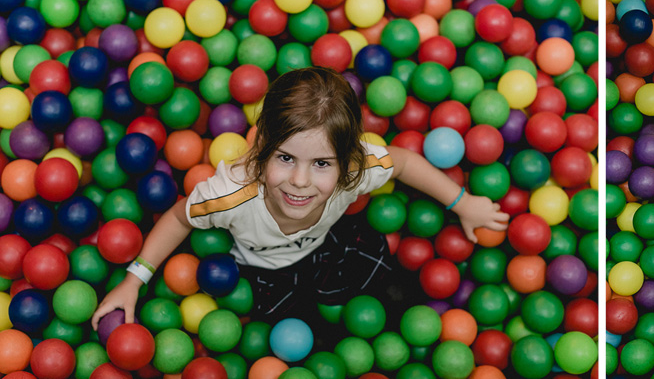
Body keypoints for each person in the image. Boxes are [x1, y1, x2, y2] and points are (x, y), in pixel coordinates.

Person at [91, 67, 510, 328]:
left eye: (322, 163)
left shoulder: (355, 170)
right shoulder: (231, 193)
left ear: (346, 160)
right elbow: (180, 217)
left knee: (386, 278)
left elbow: (401, 162)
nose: (300, 181)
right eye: (285, 158)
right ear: (261, 147)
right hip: (264, 269)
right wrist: (133, 279)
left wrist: (462, 202)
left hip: (329, 243)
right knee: (295, 326)